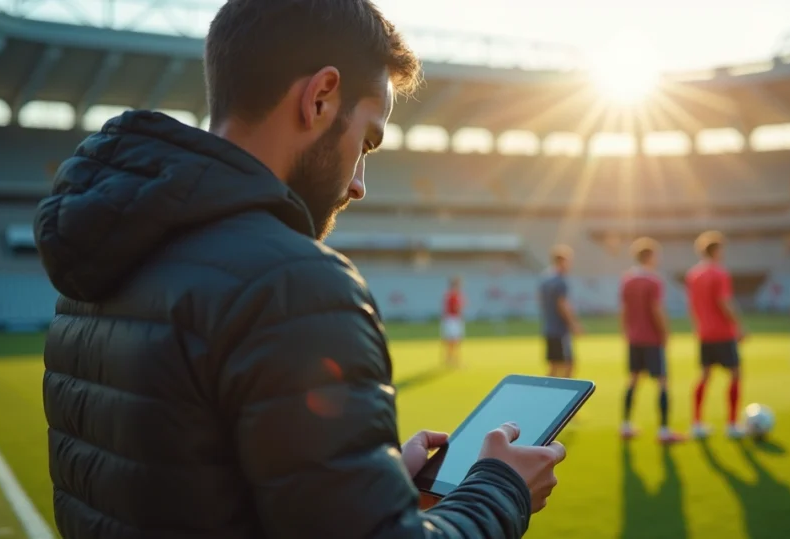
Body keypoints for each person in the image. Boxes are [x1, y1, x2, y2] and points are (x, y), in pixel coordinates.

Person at [32, 2, 567, 537]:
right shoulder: (294, 286)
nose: (360, 183)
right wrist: (501, 488)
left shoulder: (101, 265)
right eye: (367, 142)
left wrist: (373, 490)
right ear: (320, 97)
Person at [619, 238, 685, 443]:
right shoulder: (653, 281)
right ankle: (664, 430)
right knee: (663, 382)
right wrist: (665, 333)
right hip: (651, 339)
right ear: (650, 256)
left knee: (633, 379)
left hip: (634, 338)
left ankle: (626, 425)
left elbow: (623, 310)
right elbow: (657, 309)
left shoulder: (627, 279)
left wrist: (626, 331)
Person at [686, 231, 746, 439]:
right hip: (722, 333)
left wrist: (698, 327)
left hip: (704, 333)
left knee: (704, 375)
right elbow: (724, 302)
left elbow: (692, 305)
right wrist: (739, 326)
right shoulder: (720, 273)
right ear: (716, 250)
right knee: (736, 373)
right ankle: (731, 424)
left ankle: (696, 423)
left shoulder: (694, 274)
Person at [538, 245, 582, 378]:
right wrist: (574, 324)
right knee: (568, 366)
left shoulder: (545, 278)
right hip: (560, 330)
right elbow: (562, 304)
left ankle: (546, 395)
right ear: (562, 261)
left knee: (554, 367)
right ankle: (566, 397)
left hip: (548, 327)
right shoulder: (560, 281)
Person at [441, 276, 466, 367]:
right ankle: (452, 360)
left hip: (454, 319)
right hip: (452, 319)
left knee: (455, 340)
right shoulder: (452, 295)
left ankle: (451, 359)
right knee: (452, 340)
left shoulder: (455, 295)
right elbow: (455, 308)